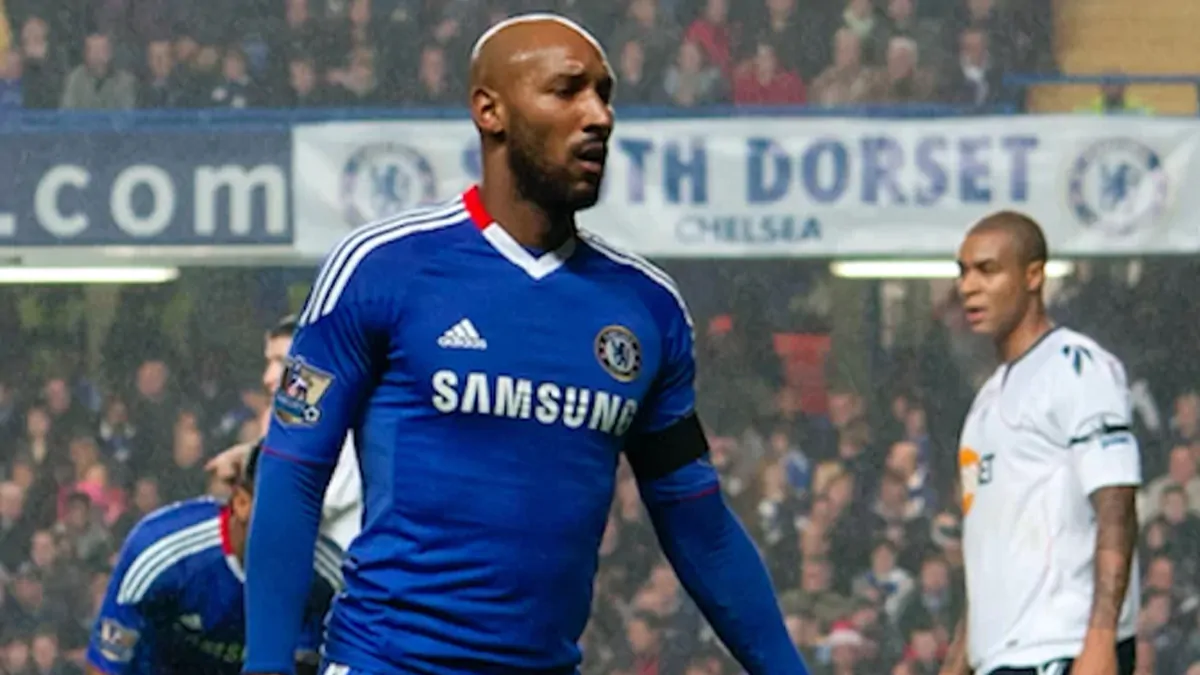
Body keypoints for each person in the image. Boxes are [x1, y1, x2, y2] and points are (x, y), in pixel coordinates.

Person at [242, 12, 807, 675]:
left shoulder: (648, 308)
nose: (599, 116)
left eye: (605, 94)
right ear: (491, 111)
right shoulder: (380, 268)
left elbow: (699, 524)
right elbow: (293, 472)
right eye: (568, 91)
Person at [941, 212, 1139, 675]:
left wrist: (1100, 641)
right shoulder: (988, 399)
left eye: (987, 270)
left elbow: (1117, 507)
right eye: (963, 272)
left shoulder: (1077, 366)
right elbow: (993, 546)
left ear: (1033, 276)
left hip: (1061, 648)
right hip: (1001, 657)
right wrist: (957, 660)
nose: (968, 286)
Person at [87, 441, 343, 675]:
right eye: (281, 513)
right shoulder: (161, 553)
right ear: (242, 503)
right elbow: (105, 664)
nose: (293, 529)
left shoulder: (331, 580)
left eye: (307, 515)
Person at [206, 314, 363, 548]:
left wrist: (253, 464)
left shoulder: (350, 424)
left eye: (282, 362)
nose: (268, 377)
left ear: (314, 366)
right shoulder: (290, 425)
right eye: (268, 363)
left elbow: (297, 501)